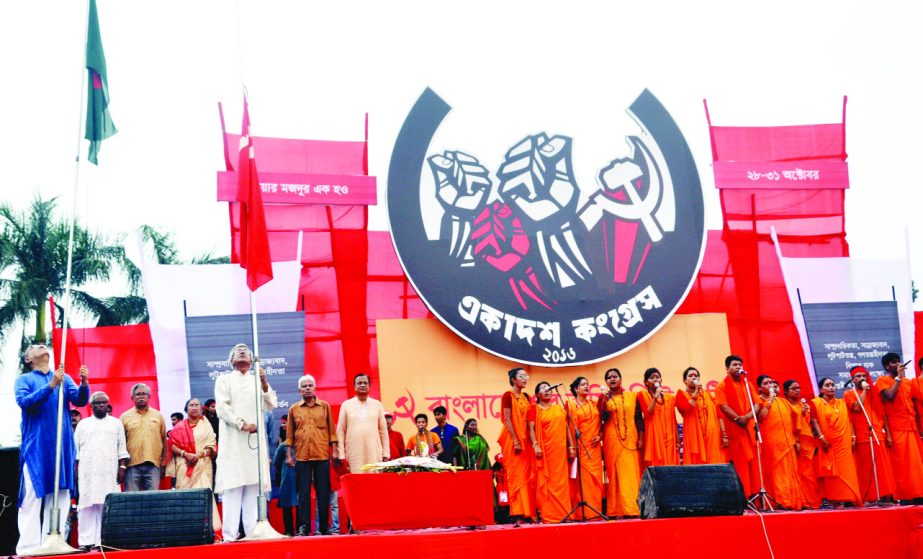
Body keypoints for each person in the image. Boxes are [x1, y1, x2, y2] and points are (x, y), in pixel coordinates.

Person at [14, 344, 89, 556]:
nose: (40, 345)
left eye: (42, 344)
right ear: (28, 359)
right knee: (32, 496)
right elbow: (25, 402)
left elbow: (80, 400)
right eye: (34, 347)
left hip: (62, 445)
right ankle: (28, 548)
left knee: (62, 494)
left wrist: (84, 383)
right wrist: (51, 385)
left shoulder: (66, 378)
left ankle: (53, 543)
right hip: (37, 446)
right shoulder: (25, 380)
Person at [215, 343, 278, 542]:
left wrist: (265, 382)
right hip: (234, 441)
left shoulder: (257, 380)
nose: (242, 351)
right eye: (238, 351)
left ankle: (251, 535)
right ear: (231, 360)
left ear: (252, 360)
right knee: (233, 487)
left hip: (254, 444)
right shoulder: (223, 379)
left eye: (246, 351)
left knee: (253, 486)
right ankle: (229, 536)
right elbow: (222, 409)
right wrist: (241, 424)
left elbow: (271, 403)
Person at [74, 391, 128, 550]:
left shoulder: (116, 423)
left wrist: (122, 467)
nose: (101, 405)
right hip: (87, 471)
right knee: (86, 506)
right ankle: (85, 542)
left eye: (104, 403)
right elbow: (75, 450)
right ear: (91, 406)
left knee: (107, 505)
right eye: (98, 403)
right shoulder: (83, 424)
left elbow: (122, 447)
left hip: (109, 470)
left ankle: (103, 541)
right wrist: (76, 469)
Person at [286, 374, 336, 536]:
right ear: (300, 390)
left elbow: (331, 431)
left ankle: (324, 527)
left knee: (323, 493)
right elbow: (289, 435)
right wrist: (288, 454)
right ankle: (304, 527)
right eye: (304, 386)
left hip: (322, 455)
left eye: (310, 385)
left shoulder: (325, 406)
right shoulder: (293, 409)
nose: (308, 388)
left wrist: (334, 451)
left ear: (315, 388)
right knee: (304, 495)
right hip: (302, 457)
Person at [842, 366, 895, 503]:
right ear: (852, 379)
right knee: (867, 467)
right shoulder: (849, 394)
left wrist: (888, 435)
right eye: (858, 376)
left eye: (864, 376)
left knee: (882, 466)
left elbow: (883, 414)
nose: (862, 379)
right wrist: (864, 391)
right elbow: (857, 408)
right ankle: (870, 496)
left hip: (877, 432)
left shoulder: (874, 392)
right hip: (862, 435)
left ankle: (885, 495)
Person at [166, 398, 220, 533]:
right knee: (186, 498)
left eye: (197, 405)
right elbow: (171, 445)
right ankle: (186, 530)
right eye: (191, 405)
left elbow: (212, 446)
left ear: (202, 409)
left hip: (203, 464)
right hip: (184, 464)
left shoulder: (206, 425)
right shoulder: (179, 427)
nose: (194, 407)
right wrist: (186, 454)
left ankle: (208, 531)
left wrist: (199, 454)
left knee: (204, 496)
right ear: (186, 409)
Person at [875, 353, 923, 501]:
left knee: (916, 465)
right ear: (886, 366)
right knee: (902, 466)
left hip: (912, 428)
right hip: (896, 429)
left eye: (898, 361)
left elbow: (915, 406)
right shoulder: (882, 380)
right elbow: (890, 396)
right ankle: (905, 496)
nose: (897, 364)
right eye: (893, 362)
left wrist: (920, 429)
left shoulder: (908, 382)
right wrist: (898, 378)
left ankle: (918, 494)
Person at [528, 381, 574, 523]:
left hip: (560, 451)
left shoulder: (559, 409)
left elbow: (567, 428)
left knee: (561, 483)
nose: (547, 390)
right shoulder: (534, 409)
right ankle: (550, 515)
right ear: (537, 394)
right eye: (542, 388)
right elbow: (531, 429)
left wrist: (571, 446)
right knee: (547, 482)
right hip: (545, 451)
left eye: (548, 388)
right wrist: (536, 445)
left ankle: (564, 513)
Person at [598, 368, 642, 518]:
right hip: (612, 440)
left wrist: (641, 438)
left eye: (615, 376)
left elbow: (639, 419)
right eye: (609, 377)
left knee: (630, 474)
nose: (612, 379)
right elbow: (602, 417)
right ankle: (615, 510)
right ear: (606, 382)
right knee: (615, 475)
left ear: (620, 379)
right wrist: (603, 398)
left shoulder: (632, 396)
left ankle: (631, 509)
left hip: (631, 438)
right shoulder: (604, 398)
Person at [754, 375, 803, 510]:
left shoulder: (783, 401)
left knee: (791, 473)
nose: (770, 385)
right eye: (766, 383)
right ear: (759, 387)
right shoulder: (758, 400)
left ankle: (793, 501)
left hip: (788, 442)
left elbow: (795, 420)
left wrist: (797, 440)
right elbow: (761, 417)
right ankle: (781, 501)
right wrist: (769, 400)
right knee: (778, 474)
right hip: (772, 443)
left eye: (771, 382)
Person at [812, 377, 862, 507]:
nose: (831, 388)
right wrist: (822, 437)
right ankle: (835, 500)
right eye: (827, 385)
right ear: (821, 389)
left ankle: (849, 498)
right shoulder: (816, 403)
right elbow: (814, 421)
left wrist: (853, 436)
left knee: (847, 471)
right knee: (832, 473)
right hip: (828, 443)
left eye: (833, 385)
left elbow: (849, 420)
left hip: (843, 443)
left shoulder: (841, 403)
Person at [714, 355, 760, 496]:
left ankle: (756, 495)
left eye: (740, 364)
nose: (738, 367)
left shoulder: (748, 384)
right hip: (734, 429)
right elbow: (723, 407)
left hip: (749, 427)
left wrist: (747, 417)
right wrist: (738, 419)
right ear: (727, 369)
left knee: (754, 463)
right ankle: (743, 495)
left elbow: (757, 404)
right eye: (735, 365)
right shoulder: (721, 386)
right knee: (740, 464)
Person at [498, 367, 535, 523]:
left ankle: (529, 512)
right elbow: (507, 419)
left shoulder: (527, 396)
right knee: (516, 476)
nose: (525, 378)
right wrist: (515, 440)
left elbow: (530, 419)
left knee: (527, 477)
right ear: (513, 379)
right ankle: (518, 513)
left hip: (526, 440)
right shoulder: (508, 396)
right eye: (521, 376)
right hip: (513, 440)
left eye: (526, 375)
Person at [565, 376, 603, 520]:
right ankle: (582, 514)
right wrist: (571, 447)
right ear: (576, 389)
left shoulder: (593, 404)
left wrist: (600, 436)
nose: (587, 387)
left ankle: (595, 513)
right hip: (579, 446)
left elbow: (601, 424)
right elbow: (568, 427)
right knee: (581, 481)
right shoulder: (570, 405)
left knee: (595, 481)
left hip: (594, 448)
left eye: (588, 384)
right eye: (583, 385)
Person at [336, 373, 389, 473]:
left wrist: (386, 453)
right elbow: (340, 430)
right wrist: (342, 455)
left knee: (374, 483)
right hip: (354, 453)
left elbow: (383, 430)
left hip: (374, 452)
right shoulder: (346, 405)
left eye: (365, 383)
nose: (362, 385)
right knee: (356, 483)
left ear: (369, 386)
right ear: (354, 386)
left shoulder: (377, 404)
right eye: (359, 383)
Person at [119, 383, 166, 491]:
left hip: (153, 465)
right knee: (131, 500)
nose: (141, 396)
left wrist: (163, 464)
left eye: (144, 394)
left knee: (153, 500)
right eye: (138, 394)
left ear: (149, 396)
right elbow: (120, 443)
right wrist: (121, 466)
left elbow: (163, 441)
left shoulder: (158, 416)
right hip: (131, 465)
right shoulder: (124, 417)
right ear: (132, 398)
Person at [782, 380, 821, 508]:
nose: (798, 390)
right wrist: (796, 441)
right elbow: (789, 425)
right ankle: (800, 501)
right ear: (786, 392)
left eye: (799, 388)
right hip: (793, 442)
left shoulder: (802, 405)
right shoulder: (785, 405)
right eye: (794, 388)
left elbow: (807, 425)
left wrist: (804, 413)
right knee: (797, 473)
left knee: (808, 474)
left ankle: (811, 501)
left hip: (807, 444)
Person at [675, 367, 725, 465]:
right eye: (690, 376)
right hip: (694, 437)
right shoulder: (681, 394)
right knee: (697, 464)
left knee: (715, 462)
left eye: (696, 375)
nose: (694, 377)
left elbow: (718, 414)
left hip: (711, 435)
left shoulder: (707, 394)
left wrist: (724, 434)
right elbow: (686, 408)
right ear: (684, 381)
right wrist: (697, 391)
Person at [637, 368, 679, 469]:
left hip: (670, 439)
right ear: (646, 382)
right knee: (656, 468)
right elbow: (648, 413)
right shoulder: (643, 394)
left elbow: (674, 420)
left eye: (658, 377)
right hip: (654, 438)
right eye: (652, 378)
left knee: (671, 468)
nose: (656, 379)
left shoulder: (669, 398)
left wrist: (677, 440)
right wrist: (655, 397)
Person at [272, 427, 297, 536]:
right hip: (287, 480)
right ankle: (289, 531)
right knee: (287, 507)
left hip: (300, 479)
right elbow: (276, 462)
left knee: (300, 506)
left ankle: (300, 530)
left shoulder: (302, 444)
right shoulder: (283, 446)